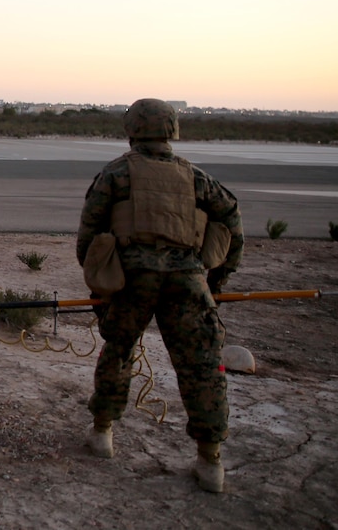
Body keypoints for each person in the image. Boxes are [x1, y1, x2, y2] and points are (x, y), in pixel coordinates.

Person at [76, 98, 243, 493]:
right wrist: (215, 281)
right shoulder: (196, 177)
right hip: (187, 278)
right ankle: (210, 460)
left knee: (117, 352)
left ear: (131, 129)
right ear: (172, 130)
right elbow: (232, 221)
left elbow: (88, 236)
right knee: (202, 367)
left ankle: (103, 433)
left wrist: (101, 285)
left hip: (133, 280)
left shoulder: (115, 174)